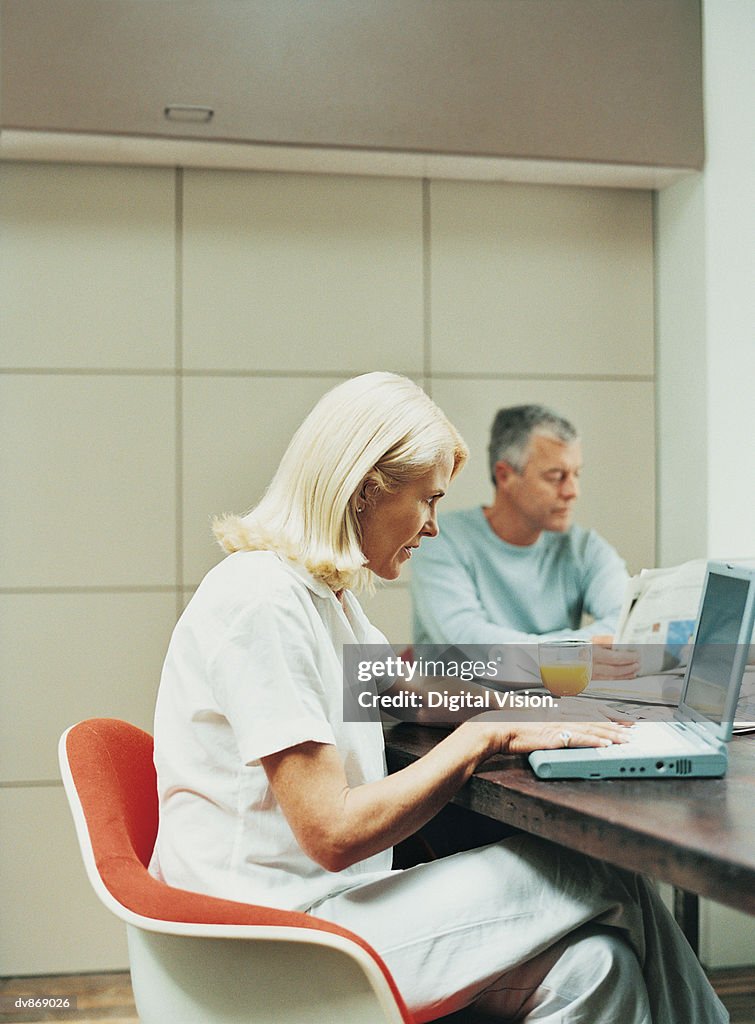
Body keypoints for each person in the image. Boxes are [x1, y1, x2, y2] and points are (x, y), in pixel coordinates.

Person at [149, 372, 726, 1023]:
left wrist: (535, 712)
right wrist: (485, 735)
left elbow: (402, 691)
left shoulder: (319, 599)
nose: (431, 526)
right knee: (603, 872)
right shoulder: (262, 600)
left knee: (597, 969)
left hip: (321, 911)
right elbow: (332, 832)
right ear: (364, 486)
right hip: (269, 941)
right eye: (426, 500)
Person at [411, 403, 640, 680]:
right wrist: (572, 654)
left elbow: (630, 623)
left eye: (576, 474)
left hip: (552, 709)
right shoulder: (439, 539)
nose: (572, 491)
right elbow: (467, 643)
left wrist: (545, 657)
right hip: (460, 715)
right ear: (505, 475)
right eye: (556, 477)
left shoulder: (585, 548)